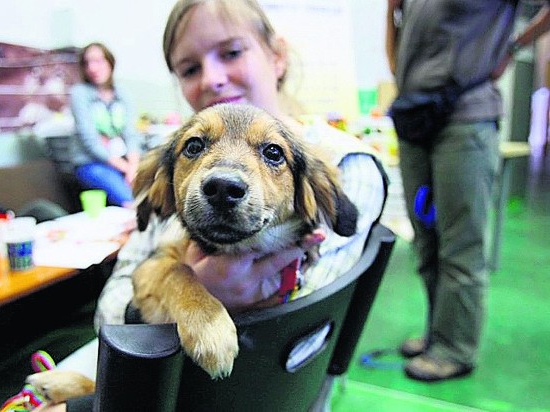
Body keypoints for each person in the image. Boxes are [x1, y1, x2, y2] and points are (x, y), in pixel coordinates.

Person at [33, 1, 387, 410]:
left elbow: (301, 342)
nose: (213, 79)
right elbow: (111, 314)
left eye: (271, 154)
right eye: (190, 68)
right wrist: (186, 292)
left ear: (276, 56)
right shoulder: (170, 186)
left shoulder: (348, 164)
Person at [386, 0, 550, 382]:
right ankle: (437, 332)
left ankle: (455, 347)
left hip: (466, 118)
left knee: (461, 242)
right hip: (415, 116)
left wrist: (512, 47)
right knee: (425, 237)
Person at [69, 42, 143, 207]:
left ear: (110, 62)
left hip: (125, 160)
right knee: (130, 200)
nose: (93, 68)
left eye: (98, 61)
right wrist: (126, 169)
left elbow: (131, 133)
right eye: (87, 63)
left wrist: (134, 166)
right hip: (92, 163)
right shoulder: (79, 93)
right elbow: (90, 141)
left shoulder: (123, 93)